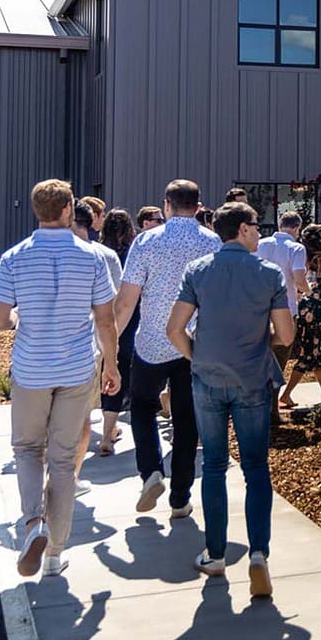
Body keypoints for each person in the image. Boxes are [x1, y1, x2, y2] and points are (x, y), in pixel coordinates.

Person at [0, 179, 119, 578]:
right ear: (68, 210)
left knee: (28, 450)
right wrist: (110, 365)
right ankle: (55, 554)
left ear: (36, 211)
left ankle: (32, 524)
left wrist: (16, 316)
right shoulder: (93, 258)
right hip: (77, 367)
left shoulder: (14, 258)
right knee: (63, 462)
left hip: (31, 368)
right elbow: (105, 319)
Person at [167, 201, 294, 597]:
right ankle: (258, 554)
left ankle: (217, 553)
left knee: (216, 465)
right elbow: (286, 336)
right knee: (256, 467)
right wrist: (260, 341)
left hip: (207, 377)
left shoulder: (198, 271)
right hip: (253, 377)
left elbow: (174, 329)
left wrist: (197, 354)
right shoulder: (269, 273)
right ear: (242, 229)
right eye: (256, 226)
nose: (260, 232)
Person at [113, 179, 220, 518]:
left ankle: (151, 471)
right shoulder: (213, 241)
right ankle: (180, 497)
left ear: (167, 205)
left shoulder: (146, 241)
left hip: (152, 341)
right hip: (194, 342)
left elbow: (127, 299)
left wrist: (111, 344)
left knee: (143, 406)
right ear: (199, 207)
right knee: (187, 420)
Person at [71, 202, 123, 487]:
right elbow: (111, 308)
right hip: (91, 342)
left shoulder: (34, 254)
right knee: (82, 412)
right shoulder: (104, 256)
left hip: (45, 349)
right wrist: (112, 354)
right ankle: (73, 472)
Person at [278, 224, 321, 408]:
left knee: (315, 349)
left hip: (303, 305)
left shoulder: (302, 256)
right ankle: (286, 395)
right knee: (311, 352)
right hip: (317, 306)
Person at [257, 212, 309, 421]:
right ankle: (272, 410)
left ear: (280, 225)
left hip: (258, 308)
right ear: (297, 228)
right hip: (285, 309)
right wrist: (306, 290)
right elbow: (298, 277)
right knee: (279, 358)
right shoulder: (296, 248)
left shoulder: (260, 244)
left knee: (259, 358)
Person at [98, 209, 139, 454]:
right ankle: (107, 432)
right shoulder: (132, 254)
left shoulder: (100, 253)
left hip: (99, 319)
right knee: (120, 370)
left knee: (97, 372)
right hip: (128, 319)